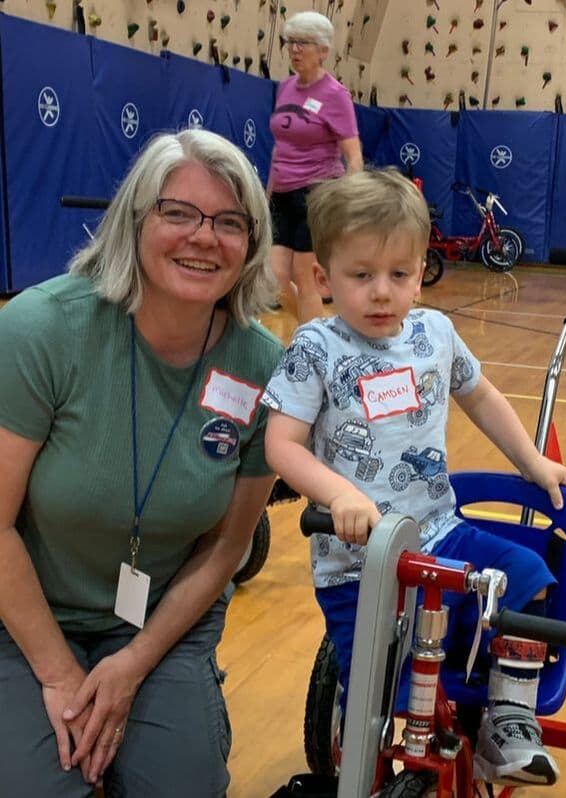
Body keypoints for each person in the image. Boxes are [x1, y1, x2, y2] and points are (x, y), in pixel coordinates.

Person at [263, 168, 566, 786]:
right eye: (361, 275)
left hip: (441, 532)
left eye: (399, 275)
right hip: (361, 561)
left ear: (421, 272)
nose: (382, 292)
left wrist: (530, 462)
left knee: (531, 576)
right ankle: (362, 752)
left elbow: (481, 397)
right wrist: (338, 492)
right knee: (380, 695)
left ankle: (507, 720)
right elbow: (282, 446)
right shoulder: (316, 347)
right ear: (323, 278)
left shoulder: (436, 333)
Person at [0, 129, 284, 797]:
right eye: (177, 212)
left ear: (251, 244)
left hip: (158, 622)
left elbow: (226, 549)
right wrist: (59, 676)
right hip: (24, 616)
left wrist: (132, 663)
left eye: (228, 222)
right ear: (134, 221)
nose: (202, 237)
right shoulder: (41, 330)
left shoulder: (263, 368)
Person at [267, 10, 363, 325]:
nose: (294, 50)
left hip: (316, 195)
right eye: (290, 42)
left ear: (323, 50)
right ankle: (318, 334)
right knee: (275, 276)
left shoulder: (336, 95)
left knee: (304, 275)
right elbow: (279, 146)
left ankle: (310, 347)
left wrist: (347, 205)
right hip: (282, 193)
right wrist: (268, 195)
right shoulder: (285, 88)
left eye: (304, 43)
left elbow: (353, 156)